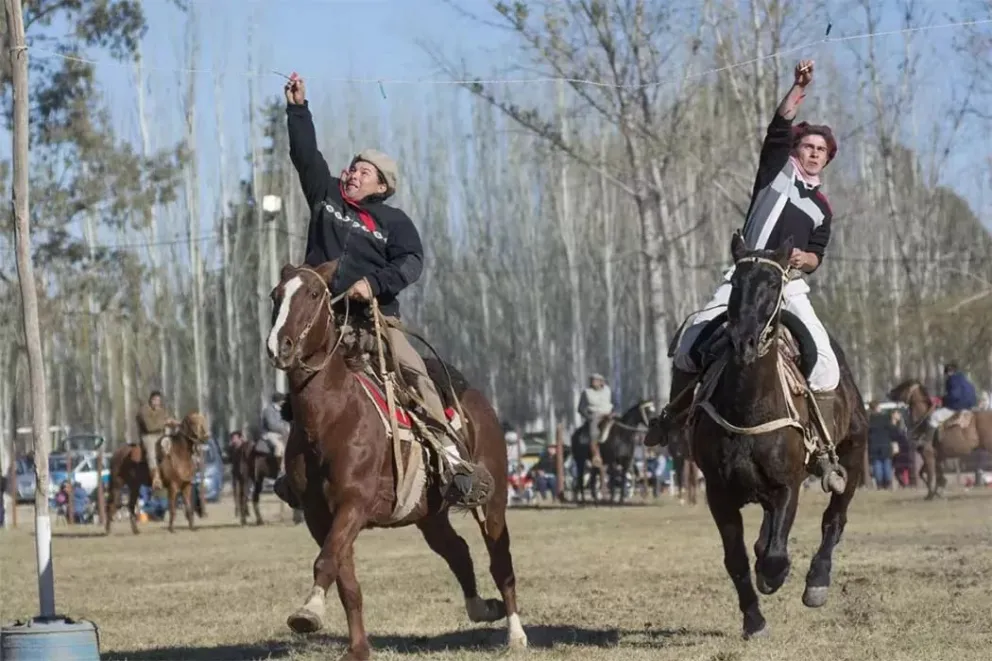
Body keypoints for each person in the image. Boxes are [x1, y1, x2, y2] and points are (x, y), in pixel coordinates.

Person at [277, 72, 489, 506]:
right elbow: (305, 155)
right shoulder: (325, 195)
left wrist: (372, 284)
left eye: (364, 170)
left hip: (376, 321)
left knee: (417, 375)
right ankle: (295, 470)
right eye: (353, 166)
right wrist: (298, 109)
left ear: (381, 185)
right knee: (295, 376)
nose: (354, 173)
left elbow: (411, 262)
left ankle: (453, 461)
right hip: (325, 318)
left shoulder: (395, 223)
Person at [647, 60, 842, 473]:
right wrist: (798, 87)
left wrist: (805, 259)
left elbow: (817, 256)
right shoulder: (775, 171)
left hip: (787, 287)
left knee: (825, 364)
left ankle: (821, 449)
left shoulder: (823, 209)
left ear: (827, 160)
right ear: (796, 149)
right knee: (689, 342)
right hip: (745, 279)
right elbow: (778, 125)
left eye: (820, 150)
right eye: (807, 146)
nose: (813, 153)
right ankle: (673, 420)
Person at [136, 390, 177, 490]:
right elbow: (149, 427)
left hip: (161, 435)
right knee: (151, 452)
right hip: (148, 436)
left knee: (171, 445)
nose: (157, 402)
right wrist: (164, 423)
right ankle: (155, 477)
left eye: (159, 400)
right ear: (151, 400)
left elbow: (167, 420)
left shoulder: (162, 411)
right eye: (155, 400)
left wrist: (173, 423)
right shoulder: (144, 411)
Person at [578, 373, 614, 463]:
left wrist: (614, 411)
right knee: (594, 432)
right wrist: (588, 417)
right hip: (595, 415)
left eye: (596, 380)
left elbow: (615, 401)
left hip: (608, 413)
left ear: (601, 382)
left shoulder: (608, 390)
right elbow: (580, 408)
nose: (593, 382)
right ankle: (595, 454)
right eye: (592, 380)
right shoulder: (586, 392)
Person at [930, 362, 978, 428]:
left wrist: (942, 401)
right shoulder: (965, 380)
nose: (946, 376)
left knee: (934, 416)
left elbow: (954, 396)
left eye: (946, 373)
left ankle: (932, 438)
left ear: (949, 372)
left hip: (957, 407)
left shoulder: (952, 379)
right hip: (970, 408)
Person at [261, 393, 290, 459]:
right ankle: (279, 467)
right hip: (269, 433)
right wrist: (283, 428)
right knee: (279, 446)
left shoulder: (281, 410)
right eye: (283, 401)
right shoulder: (268, 410)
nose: (284, 402)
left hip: (280, 433)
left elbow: (284, 421)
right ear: (279, 401)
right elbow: (271, 425)